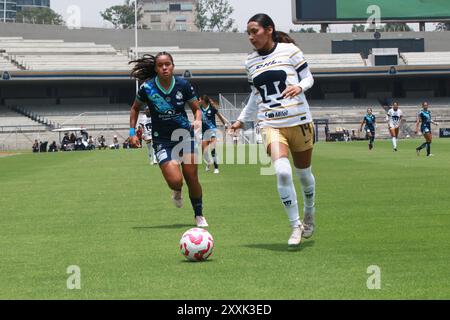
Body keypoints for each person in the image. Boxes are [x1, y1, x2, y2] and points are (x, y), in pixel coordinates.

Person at [230, 14, 316, 249]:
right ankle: (295, 225)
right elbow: (254, 95)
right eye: (248, 33)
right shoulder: (250, 62)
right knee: (282, 172)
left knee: (304, 176)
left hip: (299, 121)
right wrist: (241, 120)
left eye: (254, 31)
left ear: (269, 30)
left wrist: (299, 86)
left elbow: (308, 78)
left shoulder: (290, 51)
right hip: (270, 124)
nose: (250, 37)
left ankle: (310, 211)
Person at [128, 52, 208, 227]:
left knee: (192, 178)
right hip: (162, 140)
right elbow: (135, 108)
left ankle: (199, 215)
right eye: (160, 65)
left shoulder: (183, 85)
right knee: (175, 180)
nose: (164, 68)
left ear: (173, 66)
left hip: (184, 137)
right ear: (156, 68)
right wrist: (132, 132)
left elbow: (197, 109)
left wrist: (197, 120)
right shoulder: (147, 88)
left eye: (168, 64)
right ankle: (177, 190)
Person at [199, 95, 229, 174]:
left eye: (199, 99)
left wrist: (225, 124)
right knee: (204, 152)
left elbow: (219, 116)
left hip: (212, 131)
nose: (198, 101)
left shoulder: (212, 108)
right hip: (204, 132)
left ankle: (216, 168)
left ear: (203, 100)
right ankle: (209, 162)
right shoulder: (200, 109)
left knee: (213, 149)